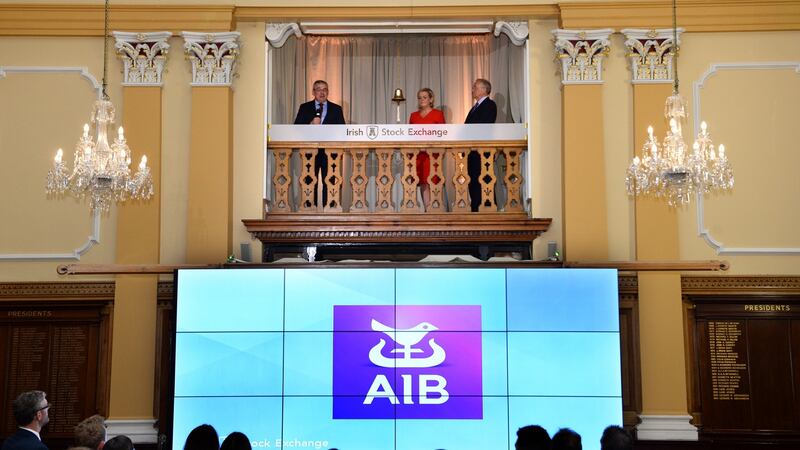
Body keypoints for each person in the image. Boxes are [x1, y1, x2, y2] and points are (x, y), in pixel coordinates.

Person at [294, 80, 346, 207]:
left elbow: (342, 130)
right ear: (313, 92)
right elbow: (296, 128)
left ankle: (330, 210)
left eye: (325, 89)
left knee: (330, 182)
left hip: (330, 153)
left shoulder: (336, 109)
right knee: (310, 181)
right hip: (310, 153)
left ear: (327, 92)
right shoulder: (304, 107)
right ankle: (310, 210)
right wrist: (311, 124)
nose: (322, 92)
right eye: (319, 89)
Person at [409, 88, 446, 211]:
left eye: (424, 97)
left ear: (431, 99)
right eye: (419, 98)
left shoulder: (438, 114)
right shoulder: (413, 116)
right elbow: (410, 135)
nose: (422, 100)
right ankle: (427, 209)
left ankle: (435, 210)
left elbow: (444, 135)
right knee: (423, 182)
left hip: (433, 155)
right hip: (418, 155)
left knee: (433, 181)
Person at [464, 78, 497, 212]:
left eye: (475, 87)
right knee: (473, 179)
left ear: (484, 90)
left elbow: (485, 125)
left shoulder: (490, 105)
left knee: (484, 178)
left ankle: (488, 207)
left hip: (483, 150)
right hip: (472, 150)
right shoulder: (474, 107)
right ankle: (475, 207)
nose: (473, 90)